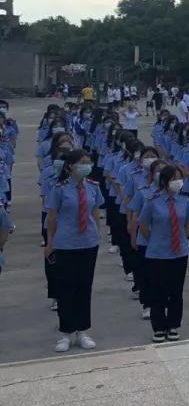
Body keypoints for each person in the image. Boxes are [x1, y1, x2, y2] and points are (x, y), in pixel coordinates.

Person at [44, 149, 104, 352]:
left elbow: (95, 213)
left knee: (84, 287)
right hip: (65, 244)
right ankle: (65, 332)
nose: (86, 166)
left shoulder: (93, 187)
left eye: (88, 162)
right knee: (66, 288)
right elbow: (52, 217)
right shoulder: (60, 188)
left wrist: (97, 234)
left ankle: (82, 331)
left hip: (88, 242)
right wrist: (49, 243)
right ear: (70, 166)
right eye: (82, 163)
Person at [138, 164, 189, 342]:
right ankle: (159, 327)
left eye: (179, 178)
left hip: (179, 253)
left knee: (176, 291)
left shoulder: (185, 201)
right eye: (173, 178)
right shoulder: (152, 201)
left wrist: (181, 239)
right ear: (164, 181)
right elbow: (144, 226)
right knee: (157, 291)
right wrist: (156, 240)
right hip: (157, 253)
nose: (177, 182)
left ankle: (173, 325)